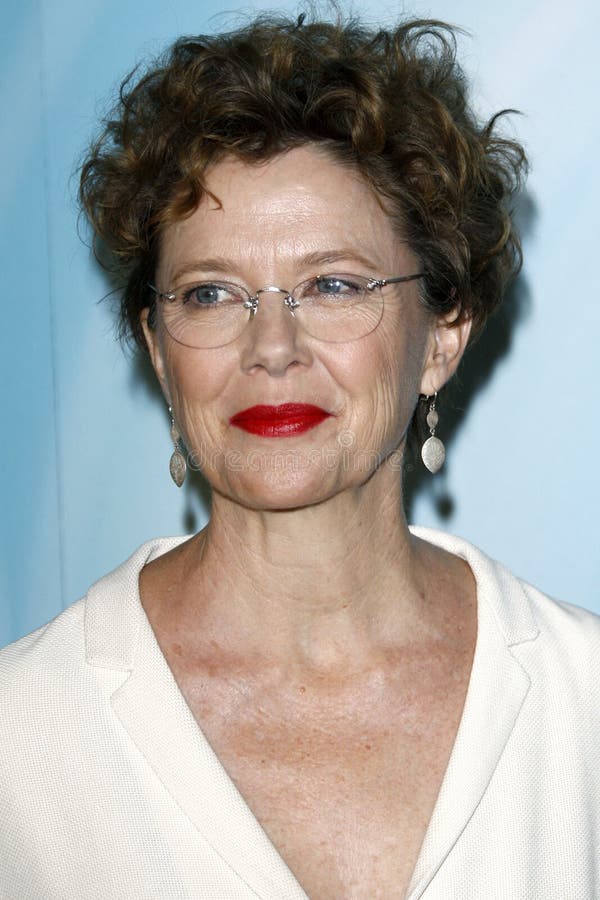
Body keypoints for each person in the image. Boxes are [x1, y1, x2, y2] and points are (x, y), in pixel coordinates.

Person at [1, 12, 598, 899]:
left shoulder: (581, 702)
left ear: (443, 333)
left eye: (333, 284)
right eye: (211, 293)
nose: (271, 347)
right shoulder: (22, 739)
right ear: (161, 349)